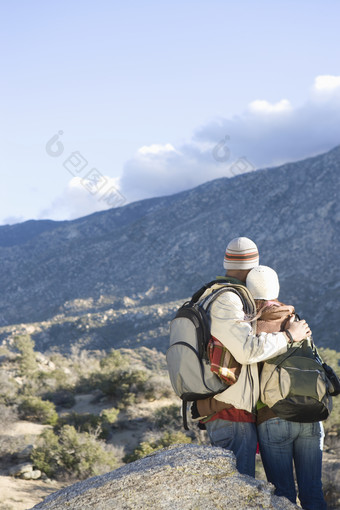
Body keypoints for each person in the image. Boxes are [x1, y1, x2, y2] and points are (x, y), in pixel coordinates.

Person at [195, 237, 310, 477]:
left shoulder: (215, 295)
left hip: (230, 410)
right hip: (231, 411)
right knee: (239, 489)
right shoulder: (228, 299)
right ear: (250, 269)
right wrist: (289, 336)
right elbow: (247, 350)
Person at [246, 265, 327, 510]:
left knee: (283, 495)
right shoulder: (298, 321)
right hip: (311, 415)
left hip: (274, 417)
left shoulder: (253, 327)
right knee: (312, 490)